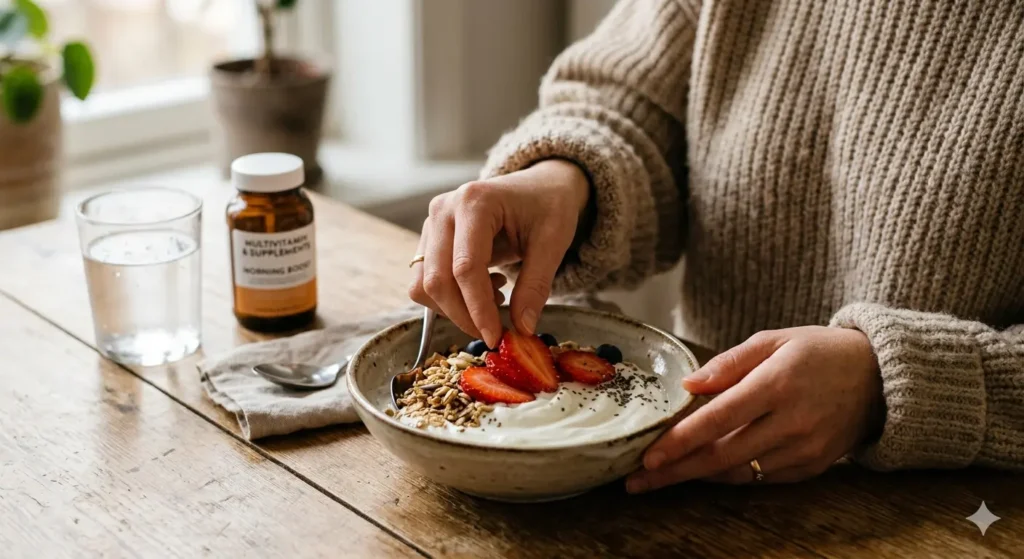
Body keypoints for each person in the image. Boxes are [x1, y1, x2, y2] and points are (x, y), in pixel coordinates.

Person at [408, 0, 1024, 492]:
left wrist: (891, 384)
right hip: (698, 475)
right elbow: (628, 101)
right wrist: (564, 175)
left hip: (957, 514)